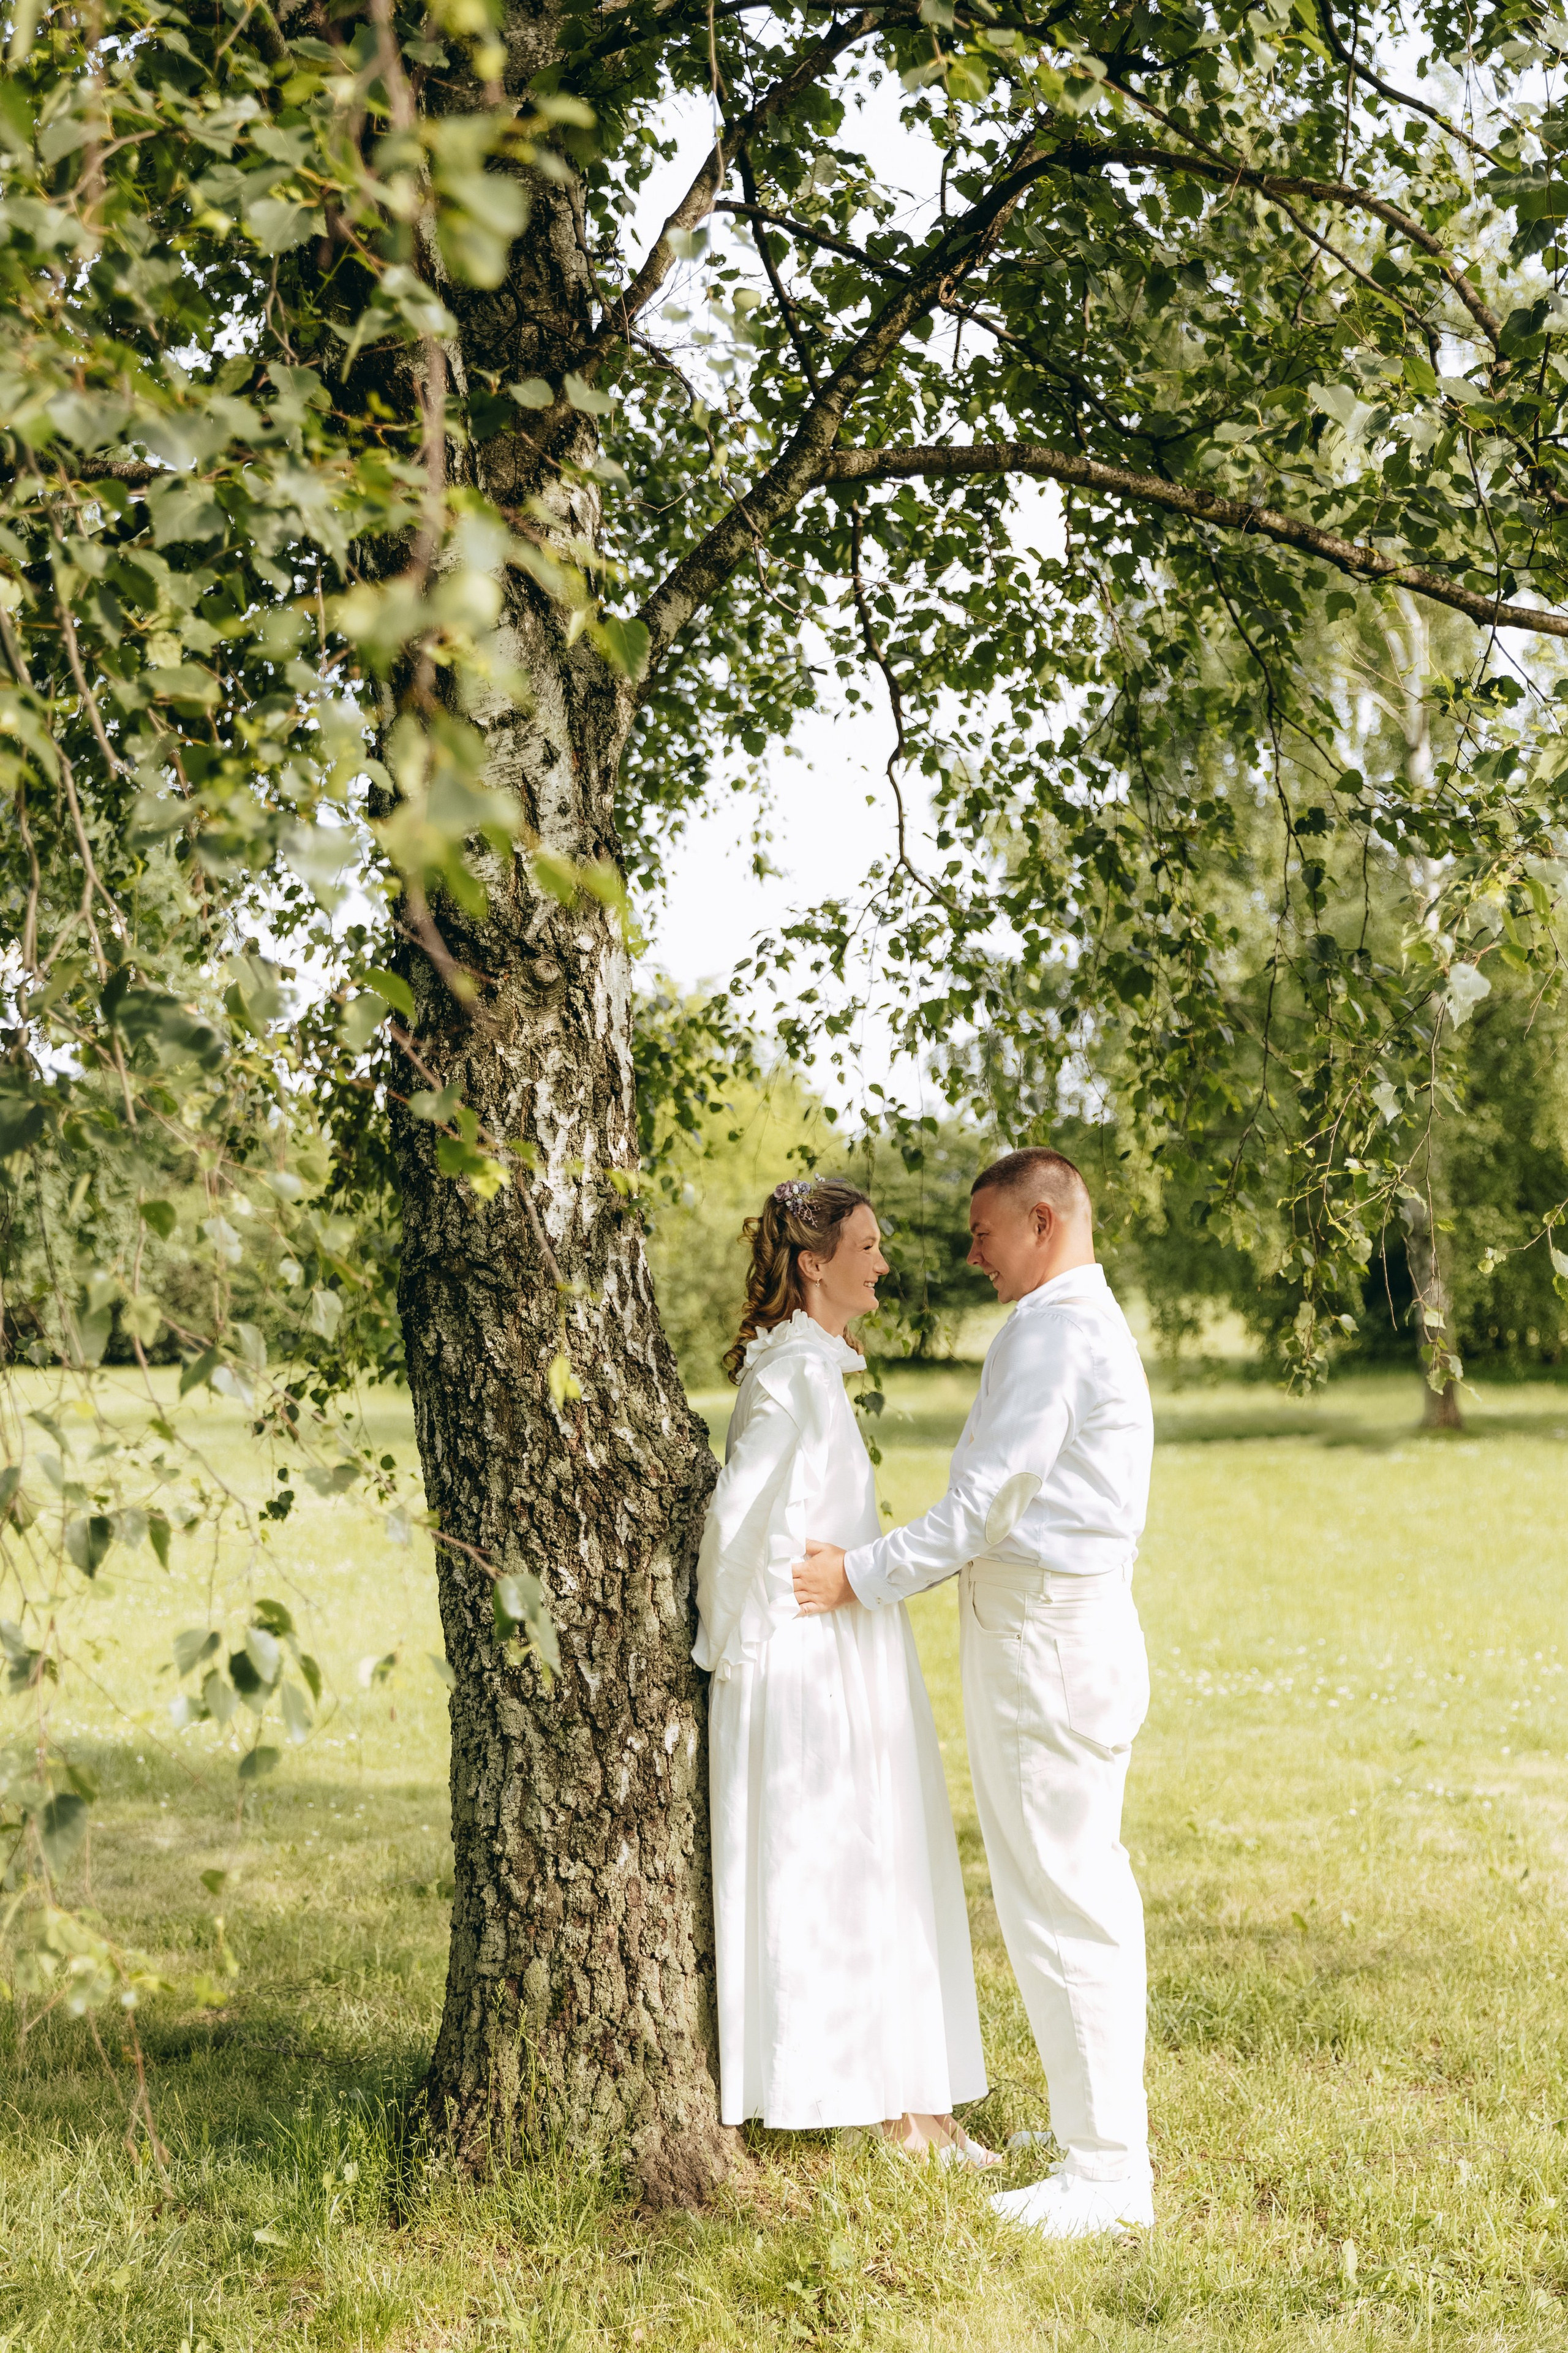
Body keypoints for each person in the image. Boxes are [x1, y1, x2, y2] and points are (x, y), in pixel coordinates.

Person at [793, 1147, 1156, 2238]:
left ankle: (1106, 2177)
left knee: (1064, 1899)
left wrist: (854, 1574)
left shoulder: (1055, 1334)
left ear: (1043, 1223)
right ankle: (1093, 2133)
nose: (969, 1254)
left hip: (1047, 1641)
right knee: (1061, 1890)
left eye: (984, 1232)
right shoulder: (1069, 1324)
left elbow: (982, 1507)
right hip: (1053, 1632)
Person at [695, 1174, 995, 2161]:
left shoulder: (812, 1368)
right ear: (813, 1262)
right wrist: (743, 1639)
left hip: (846, 1639)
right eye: (866, 1246)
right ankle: (894, 2104)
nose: (883, 1262)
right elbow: (738, 1526)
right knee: (843, 1859)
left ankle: (913, 2099)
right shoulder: (789, 1376)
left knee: (879, 1854)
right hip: (810, 1658)